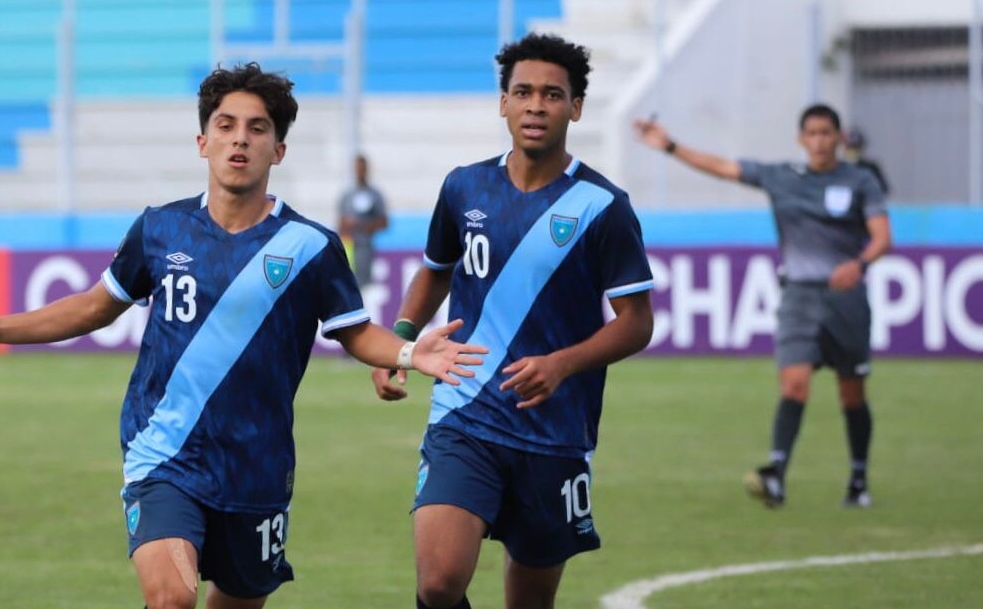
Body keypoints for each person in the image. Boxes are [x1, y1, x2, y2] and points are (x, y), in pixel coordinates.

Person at [0, 63, 486, 609]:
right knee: (171, 600)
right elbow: (92, 308)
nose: (240, 140)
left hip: (257, 466)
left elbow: (356, 334)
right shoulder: (160, 229)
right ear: (202, 141)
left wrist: (410, 350)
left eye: (257, 129)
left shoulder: (310, 247)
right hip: (163, 453)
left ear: (277, 149)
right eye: (225, 126)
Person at [372, 34, 655, 609]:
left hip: (552, 428)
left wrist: (562, 364)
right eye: (522, 92)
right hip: (465, 412)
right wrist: (399, 342)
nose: (535, 105)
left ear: (575, 107)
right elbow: (435, 271)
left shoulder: (604, 206)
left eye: (552, 94)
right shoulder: (464, 186)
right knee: (438, 582)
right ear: (502, 102)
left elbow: (637, 322)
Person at [633, 104, 891, 509]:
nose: (820, 140)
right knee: (794, 384)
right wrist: (668, 145)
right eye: (813, 133)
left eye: (827, 133)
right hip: (799, 298)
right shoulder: (782, 177)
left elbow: (882, 237)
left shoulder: (860, 181)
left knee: (852, 393)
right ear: (801, 139)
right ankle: (776, 474)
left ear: (839, 138)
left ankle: (858, 480)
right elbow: (722, 167)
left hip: (846, 300)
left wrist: (859, 265)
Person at [337, 154, 390, 286]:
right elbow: (341, 223)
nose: (360, 172)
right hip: (350, 247)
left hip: (367, 246)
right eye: (357, 169)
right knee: (350, 283)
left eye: (362, 168)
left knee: (366, 285)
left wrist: (360, 224)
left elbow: (384, 222)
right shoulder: (347, 196)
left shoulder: (375, 195)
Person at [843, 127, 890, 196]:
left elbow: (883, 188)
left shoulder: (870, 167)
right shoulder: (839, 167)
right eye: (850, 147)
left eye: (855, 147)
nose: (853, 151)